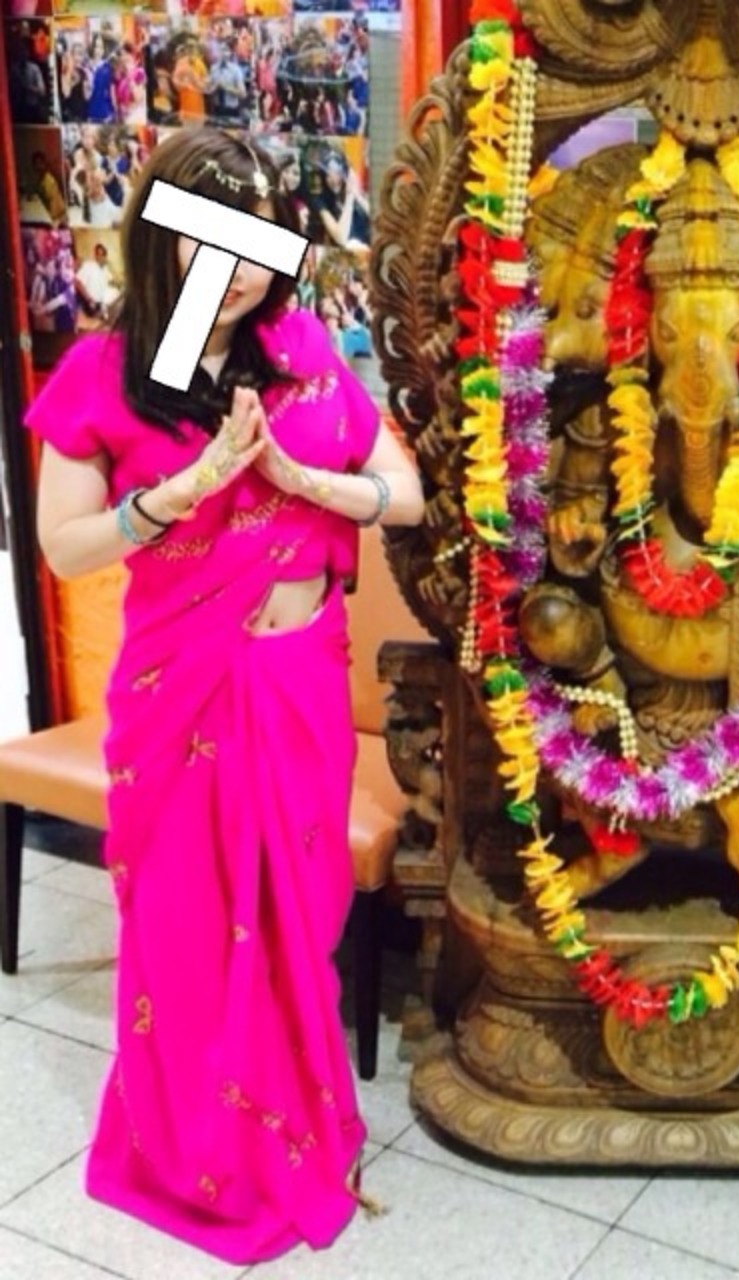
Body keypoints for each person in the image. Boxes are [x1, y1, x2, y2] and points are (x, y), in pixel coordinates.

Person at [24, 127, 425, 1266]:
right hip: (181, 693)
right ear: (162, 240)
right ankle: (194, 1153)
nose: (242, 270)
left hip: (298, 684)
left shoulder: (304, 351)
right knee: (188, 929)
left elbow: (402, 493)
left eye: (258, 240)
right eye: (212, 241)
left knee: (296, 919)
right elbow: (62, 547)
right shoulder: (106, 373)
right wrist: (179, 493)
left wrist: (304, 480)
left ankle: (291, 1129)